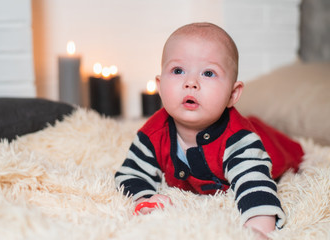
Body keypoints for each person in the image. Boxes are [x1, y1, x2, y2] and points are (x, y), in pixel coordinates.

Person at [115, 22, 303, 238]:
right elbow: (131, 173)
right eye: (178, 70)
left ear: (233, 94)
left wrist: (258, 231)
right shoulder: (153, 133)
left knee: (281, 151)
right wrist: (145, 200)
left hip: (273, 150)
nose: (191, 82)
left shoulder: (240, 139)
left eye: (208, 73)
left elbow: (255, 185)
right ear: (159, 85)